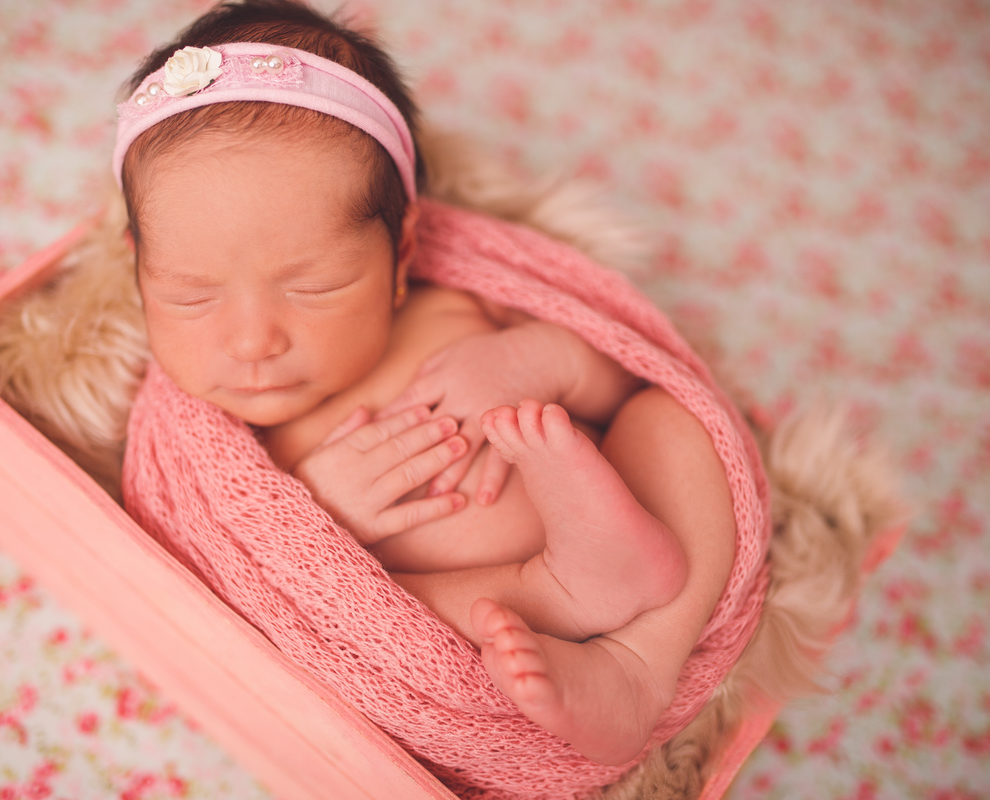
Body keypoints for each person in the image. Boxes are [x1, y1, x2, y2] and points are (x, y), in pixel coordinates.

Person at [117, 0, 737, 766]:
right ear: (137, 268)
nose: (252, 341)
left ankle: (645, 659)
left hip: (633, 518)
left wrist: (542, 360)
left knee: (675, 422)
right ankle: (568, 598)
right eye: (191, 295)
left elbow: (626, 377)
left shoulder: (458, 301)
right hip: (505, 615)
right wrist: (316, 514)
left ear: (401, 252)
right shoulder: (232, 448)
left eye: (313, 287)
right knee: (370, 610)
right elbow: (244, 582)